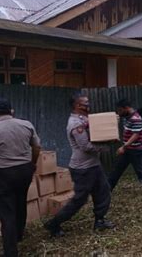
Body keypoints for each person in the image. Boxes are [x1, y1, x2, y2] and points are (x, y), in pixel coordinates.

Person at [44, 93, 114, 237]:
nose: (88, 105)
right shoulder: (75, 124)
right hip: (83, 168)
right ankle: (54, 224)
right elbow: (85, 146)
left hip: (93, 164)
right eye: (85, 103)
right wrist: (105, 148)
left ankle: (99, 220)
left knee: (103, 191)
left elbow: (97, 129)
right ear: (77, 106)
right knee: (80, 199)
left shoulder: (85, 119)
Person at [0, 98, 41, 257]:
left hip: (4, 175)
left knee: (7, 212)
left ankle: (10, 252)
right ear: (12, 111)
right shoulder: (26, 125)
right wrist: (33, 164)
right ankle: (18, 235)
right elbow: (37, 147)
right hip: (24, 171)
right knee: (20, 202)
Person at [108, 99, 142, 195]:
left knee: (141, 171)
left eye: (120, 110)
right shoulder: (128, 116)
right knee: (118, 168)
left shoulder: (136, 118)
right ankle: (108, 188)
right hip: (129, 149)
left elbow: (135, 135)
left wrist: (124, 147)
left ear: (126, 108)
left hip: (136, 149)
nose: (119, 112)